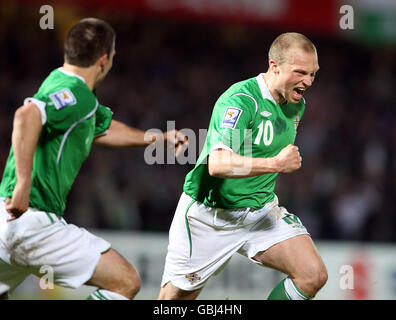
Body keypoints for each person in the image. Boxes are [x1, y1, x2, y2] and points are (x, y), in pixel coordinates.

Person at [0, 18, 186, 300]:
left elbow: (104, 127)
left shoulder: (64, 85)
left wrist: (157, 138)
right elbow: (27, 115)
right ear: (104, 60)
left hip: (5, 218)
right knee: (125, 281)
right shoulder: (76, 94)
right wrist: (23, 185)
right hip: (32, 218)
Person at [158, 32, 328, 300]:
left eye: (313, 74)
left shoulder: (297, 105)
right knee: (172, 303)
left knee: (312, 275)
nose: (308, 81)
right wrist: (275, 163)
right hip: (210, 217)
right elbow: (218, 164)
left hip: (260, 212)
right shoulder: (241, 101)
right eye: (300, 72)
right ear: (275, 66)